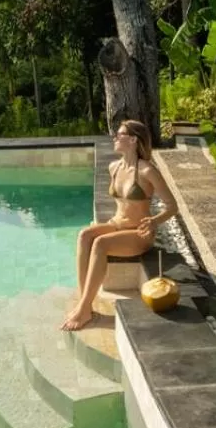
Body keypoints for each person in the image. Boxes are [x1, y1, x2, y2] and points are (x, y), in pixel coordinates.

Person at [63, 120, 180, 331]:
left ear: (134, 139)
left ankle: (83, 310)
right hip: (117, 224)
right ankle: (85, 303)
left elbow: (172, 206)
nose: (115, 138)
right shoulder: (114, 167)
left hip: (138, 233)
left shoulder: (147, 171)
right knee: (84, 236)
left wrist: (154, 221)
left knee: (100, 244)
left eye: (120, 134)